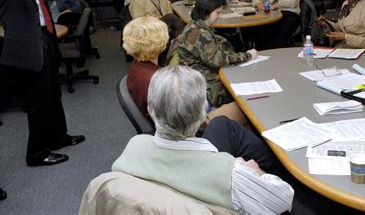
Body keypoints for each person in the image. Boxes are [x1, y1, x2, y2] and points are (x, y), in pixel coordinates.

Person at [112, 66, 294, 213]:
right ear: (204, 110)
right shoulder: (230, 174)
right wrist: (256, 173)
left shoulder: (134, 146)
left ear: (150, 109)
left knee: (221, 125)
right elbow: (284, 200)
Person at [0, 0, 86, 166]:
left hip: (46, 38)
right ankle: (36, 153)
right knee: (38, 100)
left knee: (53, 93)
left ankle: (58, 137)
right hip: (28, 46)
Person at [123, 16, 246, 125]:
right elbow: (184, 120)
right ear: (161, 41)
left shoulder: (136, 69)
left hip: (166, 125)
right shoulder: (160, 80)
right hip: (192, 129)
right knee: (242, 109)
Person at [176, 0, 257, 108]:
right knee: (239, 84)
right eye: (217, 12)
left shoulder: (194, 25)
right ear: (206, 11)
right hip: (201, 78)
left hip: (191, 72)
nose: (219, 16)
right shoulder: (202, 33)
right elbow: (217, 60)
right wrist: (246, 55)